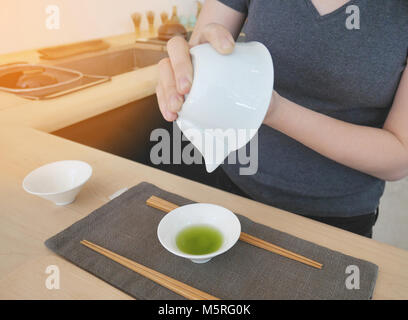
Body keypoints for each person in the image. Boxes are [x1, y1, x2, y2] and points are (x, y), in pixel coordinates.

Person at [155, 0, 408, 238]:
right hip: (235, 189)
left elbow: (399, 154)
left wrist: (275, 110)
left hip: (339, 221)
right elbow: (199, 53)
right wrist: (188, 73)